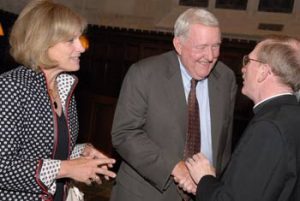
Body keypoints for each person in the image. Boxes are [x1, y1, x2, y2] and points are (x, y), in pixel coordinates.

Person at [110, 8, 237, 201]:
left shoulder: (226, 78)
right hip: (147, 194)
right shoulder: (144, 74)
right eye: (201, 47)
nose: (210, 56)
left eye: (215, 46)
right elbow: (125, 134)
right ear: (179, 44)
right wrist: (175, 168)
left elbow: (224, 145)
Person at [0, 0, 116, 200]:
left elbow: (46, 150)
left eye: (80, 38)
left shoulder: (63, 86)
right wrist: (66, 168)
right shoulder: (11, 87)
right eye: (70, 40)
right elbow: (3, 167)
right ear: (42, 43)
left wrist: (81, 153)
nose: (81, 47)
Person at [185, 35, 300, 201]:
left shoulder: (268, 128)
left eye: (248, 60)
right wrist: (204, 188)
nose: (243, 69)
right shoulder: (291, 115)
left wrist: (204, 178)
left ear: (263, 72)